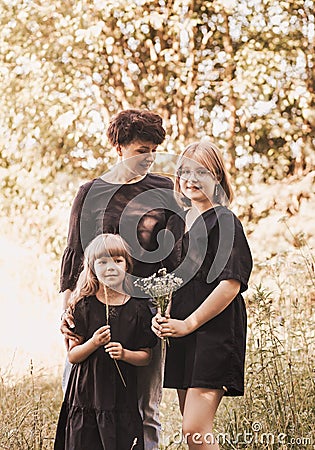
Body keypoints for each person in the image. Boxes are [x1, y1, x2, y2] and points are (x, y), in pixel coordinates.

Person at [59, 109, 179, 450]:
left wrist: (164, 309)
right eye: (142, 150)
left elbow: (172, 258)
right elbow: (74, 254)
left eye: (154, 150)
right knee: (80, 399)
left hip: (142, 312)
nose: (150, 158)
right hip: (91, 308)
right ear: (119, 147)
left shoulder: (163, 189)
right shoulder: (90, 193)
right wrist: (67, 311)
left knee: (146, 406)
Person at [152, 137, 253, 450]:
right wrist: (163, 317)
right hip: (184, 334)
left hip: (214, 333)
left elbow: (230, 284)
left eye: (202, 173)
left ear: (218, 178)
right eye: (185, 172)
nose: (191, 179)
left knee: (196, 429)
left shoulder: (225, 221)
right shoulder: (178, 223)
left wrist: (189, 324)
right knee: (192, 433)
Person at [54, 233, 157, 450]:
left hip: (120, 395)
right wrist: (93, 342)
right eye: (102, 261)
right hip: (86, 394)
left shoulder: (138, 308)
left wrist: (124, 353)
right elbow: (73, 356)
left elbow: (146, 356)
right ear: (91, 267)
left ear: (127, 266)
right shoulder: (84, 306)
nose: (110, 267)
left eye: (117, 260)